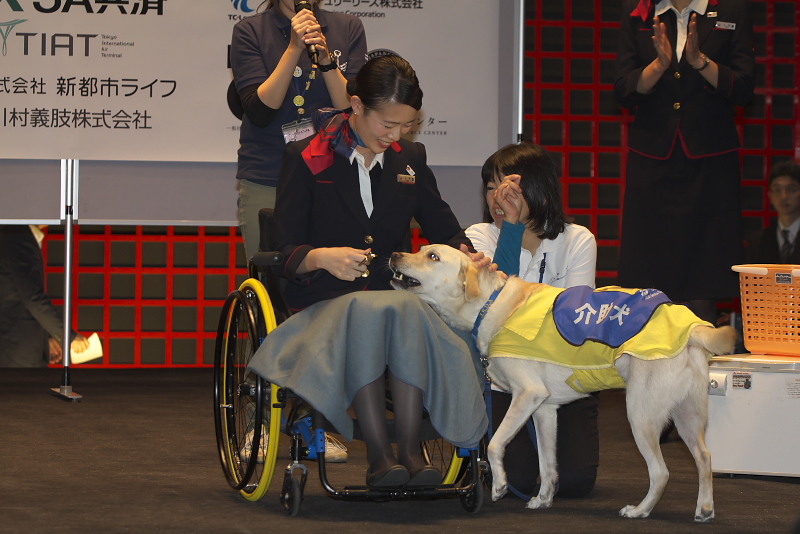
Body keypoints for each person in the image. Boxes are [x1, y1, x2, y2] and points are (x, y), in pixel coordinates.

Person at [247, 55, 488, 488]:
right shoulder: (306, 156)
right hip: (324, 302)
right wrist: (321, 257)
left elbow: (446, 231)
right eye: (387, 125)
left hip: (393, 300)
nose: (396, 136)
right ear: (356, 106)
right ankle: (380, 456)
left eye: (407, 126)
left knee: (399, 309)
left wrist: (470, 256)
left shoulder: (409, 159)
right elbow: (281, 250)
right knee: (377, 312)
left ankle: (411, 455)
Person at [465, 143, 600, 499]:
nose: (497, 197)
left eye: (509, 188)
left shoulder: (577, 240)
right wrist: (510, 227)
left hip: (560, 379)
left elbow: (575, 318)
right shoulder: (480, 237)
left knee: (575, 483)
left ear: (539, 189)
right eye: (491, 187)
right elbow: (494, 303)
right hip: (502, 383)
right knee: (517, 481)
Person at [614, 0, 755, 324]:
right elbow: (623, 91)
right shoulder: (640, 12)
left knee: (704, 283)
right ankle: (652, 368)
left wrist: (699, 61)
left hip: (710, 165)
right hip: (652, 163)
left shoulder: (731, 10)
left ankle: (706, 369)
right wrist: (659, 65)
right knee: (651, 288)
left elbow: (744, 89)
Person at [230, 0, 368, 262]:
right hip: (269, 173)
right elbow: (259, 113)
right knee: (270, 274)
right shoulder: (250, 30)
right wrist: (294, 47)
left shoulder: (347, 27)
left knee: (333, 271)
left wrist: (327, 61)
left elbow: (353, 110)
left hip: (333, 171)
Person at [0, 225, 89, 368]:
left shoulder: (16, 234)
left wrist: (47, 338)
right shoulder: (17, 235)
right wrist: (67, 336)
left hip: (20, 345)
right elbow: (32, 297)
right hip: (16, 347)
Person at [746, 160, 800, 264]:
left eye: (791, 189)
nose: (784, 197)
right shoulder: (757, 241)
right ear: (770, 196)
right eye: (777, 190)